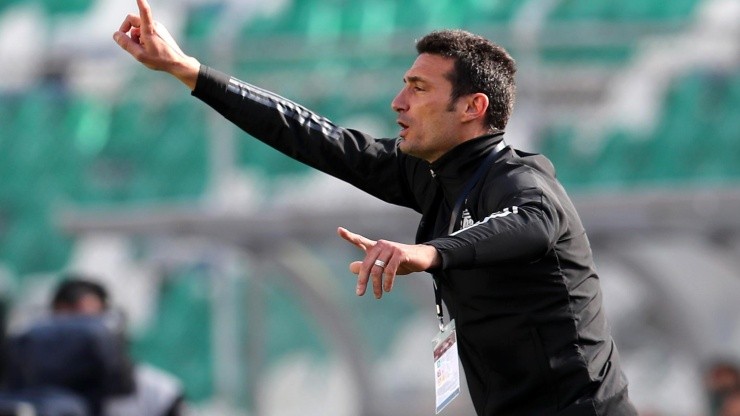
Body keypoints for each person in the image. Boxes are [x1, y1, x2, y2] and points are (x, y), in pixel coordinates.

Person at [113, 0, 638, 414]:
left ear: (473, 108)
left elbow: (531, 225)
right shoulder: (432, 176)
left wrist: (430, 254)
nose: (397, 102)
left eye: (417, 87)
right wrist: (191, 72)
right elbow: (313, 136)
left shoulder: (519, 181)